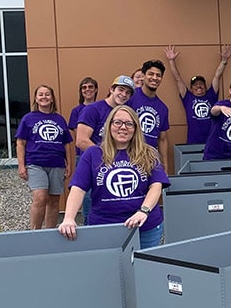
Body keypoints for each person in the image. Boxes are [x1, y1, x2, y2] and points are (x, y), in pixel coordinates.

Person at [59, 104, 170, 249]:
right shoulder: (93, 154)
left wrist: (143, 211)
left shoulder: (148, 153)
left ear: (136, 128)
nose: (123, 127)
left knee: (142, 269)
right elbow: (78, 188)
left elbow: (156, 186)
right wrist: (68, 218)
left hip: (144, 227)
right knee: (108, 269)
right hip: (104, 228)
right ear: (109, 125)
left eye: (129, 124)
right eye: (117, 122)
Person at [15, 84, 71, 230]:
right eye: (41, 94)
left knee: (54, 201)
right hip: (35, 163)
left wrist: (69, 165)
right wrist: (21, 165)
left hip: (57, 163)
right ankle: (35, 233)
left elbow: (66, 144)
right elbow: (20, 143)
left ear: (52, 98)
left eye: (47, 94)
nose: (44, 97)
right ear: (36, 98)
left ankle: (50, 233)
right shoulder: (28, 118)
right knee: (40, 198)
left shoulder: (59, 119)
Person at [165, 44, 231, 145]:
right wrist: (171, 61)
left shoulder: (211, 95)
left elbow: (217, 76)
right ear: (191, 89)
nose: (199, 86)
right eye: (195, 85)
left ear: (205, 86)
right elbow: (177, 78)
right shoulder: (187, 97)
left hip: (212, 141)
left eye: (201, 84)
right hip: (193, 142)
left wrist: (224, 61)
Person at [76, 75, 134, 152]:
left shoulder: (126, 113)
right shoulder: (93, 109)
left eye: (128, 92)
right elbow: (81, 141)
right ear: (111, 89)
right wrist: (105, 156)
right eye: (121, 90)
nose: (124, 94)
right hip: (95, 161)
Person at [129, 59, 171, 166]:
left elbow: (162, 139)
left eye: (158, 75)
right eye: (151, 74)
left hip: (150, 161)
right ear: (143, 76)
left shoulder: (163, 108)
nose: (155, 78)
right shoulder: (130, 97)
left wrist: (165, 167)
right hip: (128, 157)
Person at [66, 76, 98, 172]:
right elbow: (79, 135)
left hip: (103, 153)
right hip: (83, 154)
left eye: (90, 87)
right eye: (84, 87)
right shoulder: (76, 111)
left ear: (96, 89)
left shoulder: (101, 108)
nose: (87, 89)